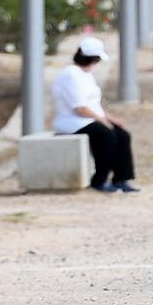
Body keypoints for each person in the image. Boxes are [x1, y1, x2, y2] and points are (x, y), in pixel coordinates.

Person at [53, 35, 138, 193]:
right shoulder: (71, 75)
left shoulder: (86, 75)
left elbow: (94, 105)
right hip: (73, 122)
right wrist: (103, 120)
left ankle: (121, 179)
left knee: (123, 135)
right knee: (106, 135)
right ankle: (99, 179)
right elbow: (79, 108)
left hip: (89, 119)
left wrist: (111, 119)